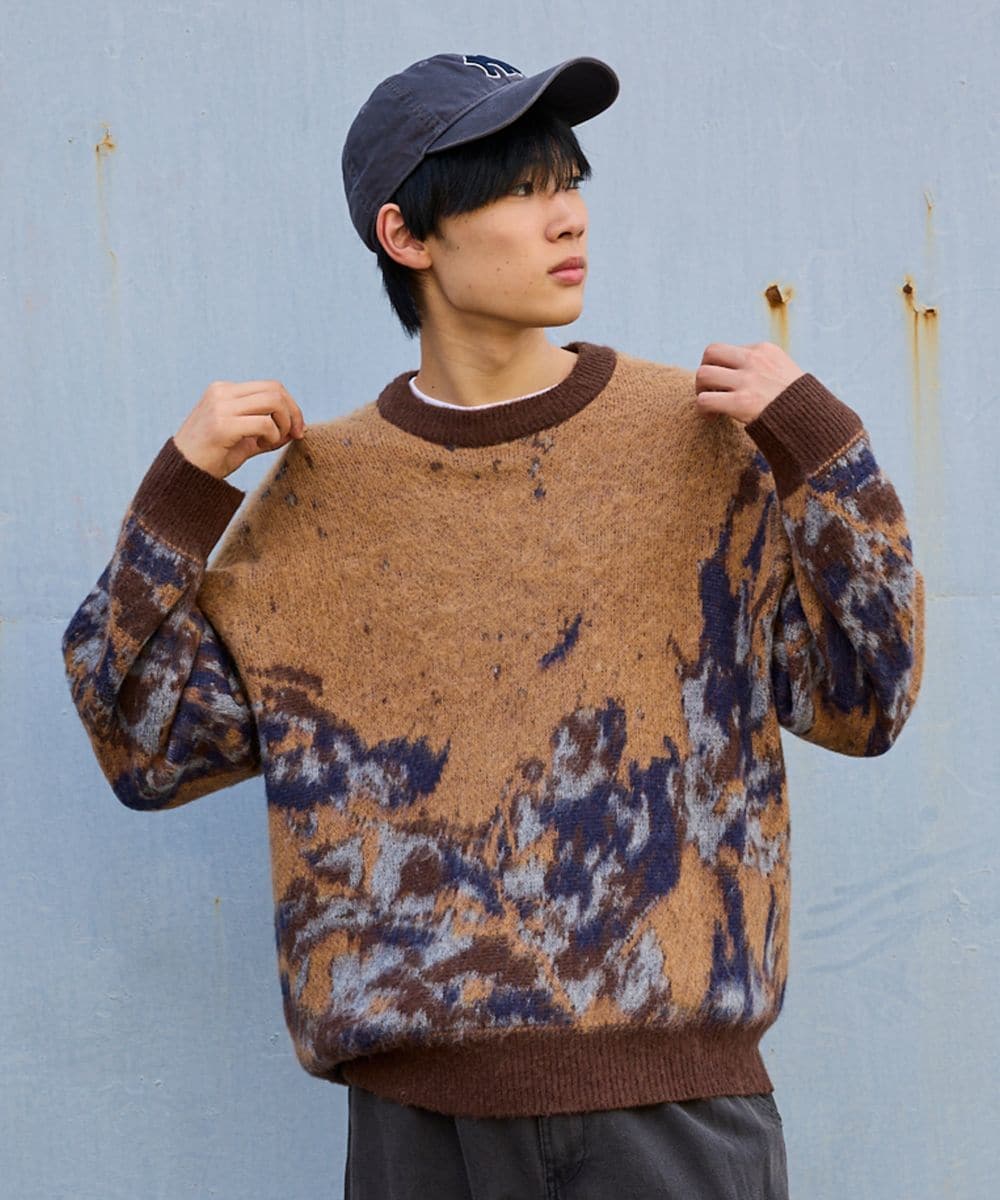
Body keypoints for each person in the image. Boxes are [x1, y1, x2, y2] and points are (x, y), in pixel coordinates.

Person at [61, 52, 926, 1199]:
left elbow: (867, 701)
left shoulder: (698, 442)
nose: (567, 215)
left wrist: (823, 448)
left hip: (671, 1115)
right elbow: (147, 749)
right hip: (421, 1133)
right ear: (406, 235)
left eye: (569, 181)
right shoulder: (324, 496)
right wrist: (181, 489)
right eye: (521, 188)